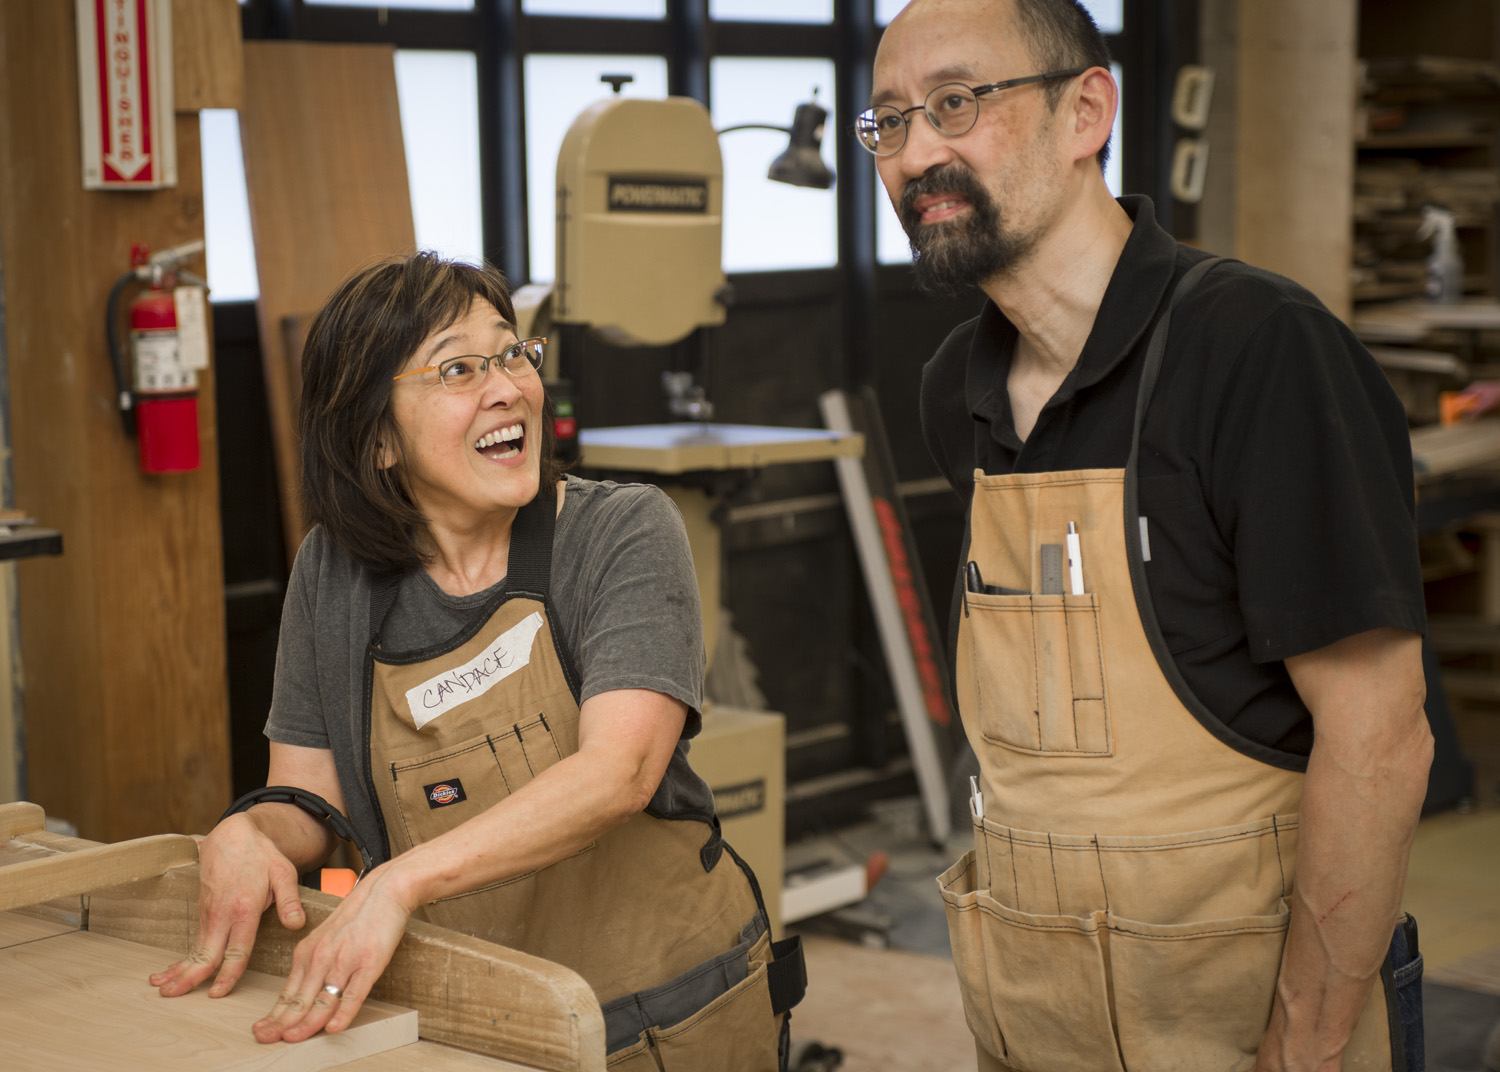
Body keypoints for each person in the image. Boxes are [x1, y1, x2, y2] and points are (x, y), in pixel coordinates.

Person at [862, 1, 1432, 1069]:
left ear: (1086, 112)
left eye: (954, 104)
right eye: (888, 121)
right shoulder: (958, 389)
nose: (915, 152)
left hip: (1247, 1027)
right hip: (1035, 1017)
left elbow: (1380, 738)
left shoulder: (1259, 353)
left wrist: (1301, 1050)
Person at [148, 252, 802, 1069]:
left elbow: (621, 771)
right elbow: (311, 801)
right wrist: (252, 832)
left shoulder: (621, 531)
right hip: (476, 1034)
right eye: (459, 367)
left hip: (674, 1022)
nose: (508, 386)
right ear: (378, 436)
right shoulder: (334, 574)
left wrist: (397, 881)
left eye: (511, 354)